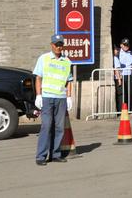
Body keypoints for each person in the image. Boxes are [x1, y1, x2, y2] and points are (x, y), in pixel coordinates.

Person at [33, 34, 74, 165]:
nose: (58, 47)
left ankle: (55, 154)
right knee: (46, 126)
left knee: (59, 127)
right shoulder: (43, 59)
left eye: (60, 45)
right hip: (47, 97)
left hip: (61, 98)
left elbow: (69, 81)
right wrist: (38, 95)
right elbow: (38, 78)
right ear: (51, 45)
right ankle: (41, 156)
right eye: (56, 44)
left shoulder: (67, 62)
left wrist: (69, 97)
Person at [114, 38, 132, 111]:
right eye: (124, 45)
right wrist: (118, 79)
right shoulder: (117, 53)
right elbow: (116, 67)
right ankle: (122, 110)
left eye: (127, 45)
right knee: (121, 94)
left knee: (130, 93)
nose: (126, 47)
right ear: (121, 45)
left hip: (129, 75)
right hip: (121, 76)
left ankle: (130, 109)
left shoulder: (131, 53)